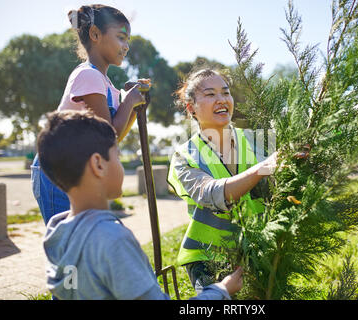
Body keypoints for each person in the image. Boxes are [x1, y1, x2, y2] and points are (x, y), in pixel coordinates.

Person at [38, 110, 242, 300]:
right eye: (117, 155)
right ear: (98, 164)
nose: (120, 163)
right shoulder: (113, 240)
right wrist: (220, 290)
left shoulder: (57, 233)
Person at [31, 4, 147, 224]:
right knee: (68, 240)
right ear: (95, 34)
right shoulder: (88, 76)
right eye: (121, 38)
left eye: (128, 40)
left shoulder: (106, 84)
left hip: (75, 167)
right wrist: (129, 100)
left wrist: (135, 106)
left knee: (82, 234)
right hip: (55, 168)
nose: (126, 46)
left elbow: (113, 139)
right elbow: (108, 135)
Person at [167, 68, 279, 293]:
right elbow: (210, 194)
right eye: (210, 94)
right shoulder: (185, 155)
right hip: (207, 258)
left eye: (225, 92)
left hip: (256, 250)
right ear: (191, 108)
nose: (221, 99)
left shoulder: (254, 142)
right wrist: (263, 169)